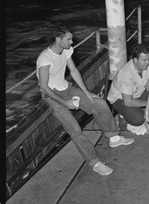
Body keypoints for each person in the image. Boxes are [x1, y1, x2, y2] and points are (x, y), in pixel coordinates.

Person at [36, 26, 134, 176]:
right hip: (52, 96)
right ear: (58, 39)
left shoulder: (67, 50)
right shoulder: (45, 58)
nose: (72, 41)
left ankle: (113, 137)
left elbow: (74, 71)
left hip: (66, 88)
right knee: (75, 129)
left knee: (100, 103)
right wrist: (65, 103)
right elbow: (43, 87)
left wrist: (87, 93)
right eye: (68, 39)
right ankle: (94, 162)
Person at [107, 44, 149, 135]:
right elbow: (128, 102)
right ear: (135, 60)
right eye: (144, 60)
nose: (147, 62)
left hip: (138, 92)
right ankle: (122, 116)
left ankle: (141, 109)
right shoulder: (126, 74)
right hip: (121, 99)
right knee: (139, 119)